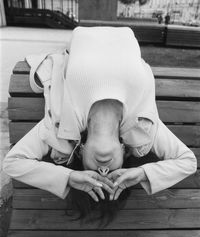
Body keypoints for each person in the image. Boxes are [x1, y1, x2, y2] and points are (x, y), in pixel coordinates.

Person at [3, 26, 197, 223]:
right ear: (124, 151)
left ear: (81, 151)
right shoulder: (144, 128)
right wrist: (141, 174)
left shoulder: (59, 126)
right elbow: (188, 162)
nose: (104, 170)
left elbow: (13, 163)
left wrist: (68, 177)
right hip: (125, 32)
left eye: (93, 174)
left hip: (82, 32)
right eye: (114, 175)